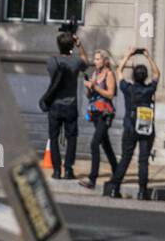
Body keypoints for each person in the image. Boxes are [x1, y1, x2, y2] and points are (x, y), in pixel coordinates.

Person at [105, 48, 160, 200]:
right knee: (143, 160)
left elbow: (119, 71)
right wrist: (148, 57)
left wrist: (128, 54)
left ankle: (115, 188)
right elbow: (157, 74)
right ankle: (142, 191)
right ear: (145, 77)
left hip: (130, 127)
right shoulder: (149, 90)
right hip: (145, 127)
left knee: (125, 158)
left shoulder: (128, 88)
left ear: (134, 76)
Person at [44, 30, 88, 179]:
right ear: (71, 46)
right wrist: (80, 45)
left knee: (54, 137)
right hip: (71, 105)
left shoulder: (52, 61)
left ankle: (57, 170)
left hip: (55, 105)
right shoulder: (76, 62)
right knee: (72, 137)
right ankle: (68, 169)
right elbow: (85, 62)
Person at [79, 49, 118, 190]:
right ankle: (117, 170)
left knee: (94, 143)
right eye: (94, 59)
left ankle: (92, 178)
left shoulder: (109, 74)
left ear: (104, 60)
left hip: (105, 113)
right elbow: (90, 96)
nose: (95, 62)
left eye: (97, 59)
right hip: (95, 111)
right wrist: (89, 87)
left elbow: (110, 94)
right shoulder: (95, 73)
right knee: (105, 143)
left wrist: (95, 86)